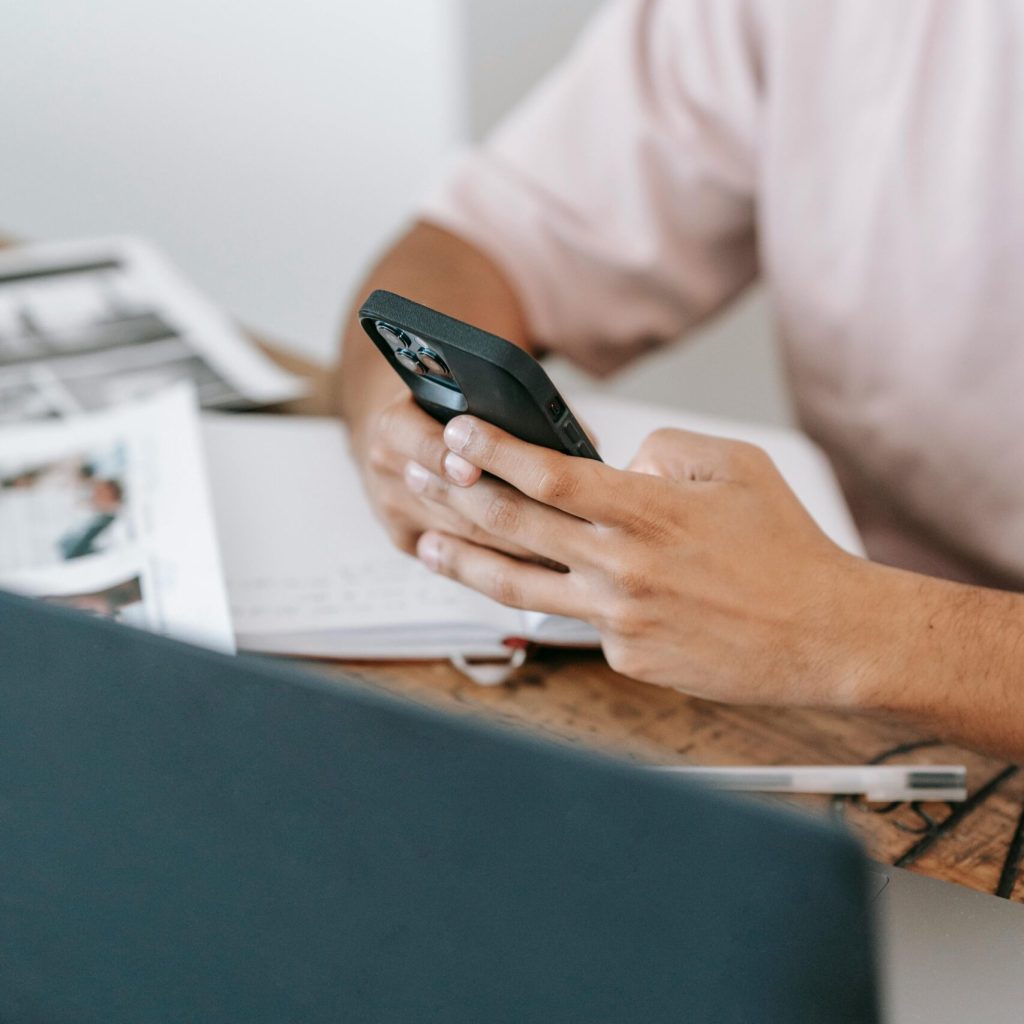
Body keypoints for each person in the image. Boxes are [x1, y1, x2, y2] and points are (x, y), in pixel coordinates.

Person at [335, 0, 1024, 760]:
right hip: (861, 680)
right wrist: (407, 439)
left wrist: (846, 626)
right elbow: (466, 248)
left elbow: (844, 630)